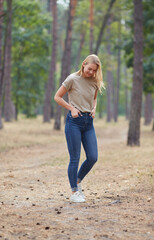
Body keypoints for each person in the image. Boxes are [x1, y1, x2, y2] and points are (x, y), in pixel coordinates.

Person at [54, 54, 104, 203]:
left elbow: (94, 98)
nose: (91, 73)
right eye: (89, 69)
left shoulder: (95, 81)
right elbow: (57, 97)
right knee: (75, 158)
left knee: (93, 157)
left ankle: (77, 181)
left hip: (89, 123)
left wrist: (94, 108)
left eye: (94, 70)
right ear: (83, 64)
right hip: (74, 122)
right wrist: (71, 108)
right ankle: (74, 192)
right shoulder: (72, 79)